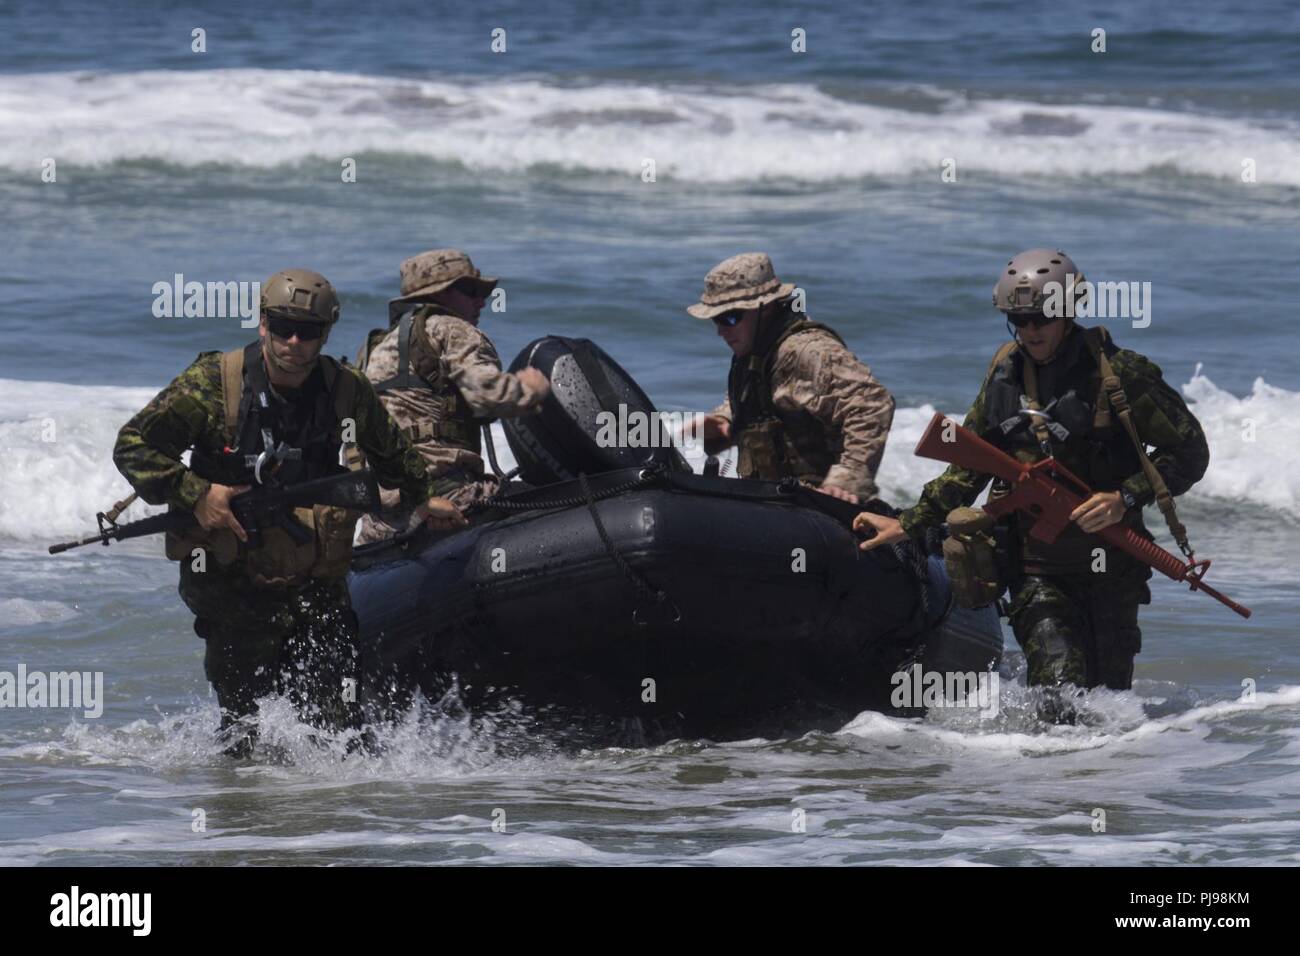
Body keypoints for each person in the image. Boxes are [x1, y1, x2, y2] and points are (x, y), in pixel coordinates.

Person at [113, 268, 466, 755]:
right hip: (233, 581)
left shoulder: (346, 390)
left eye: (309, 331)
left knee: (337, 727)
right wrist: (196, 492)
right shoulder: (215, 383)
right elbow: (134, 445)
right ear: (262, 324)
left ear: (326, 333)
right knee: (243, 730)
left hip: (314, 579)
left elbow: (392, 455)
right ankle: (243, 822)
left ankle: (325, 825)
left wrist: (422, 497)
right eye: (282, 326)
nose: (294, 341)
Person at [854, 249, 1209, 718]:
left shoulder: (1121, 375)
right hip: (1035, 568)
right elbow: (967, 467)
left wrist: (1124, 497)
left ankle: (1101, 791)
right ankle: (1039, 787)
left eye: (1041, 317)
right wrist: (909, 523)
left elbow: (1190, 452)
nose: (1030, 330)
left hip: (1112, 573)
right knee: (1057, 696)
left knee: (1109, 706)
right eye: (1018, 319)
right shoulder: (1004, 375)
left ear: (1067, 311)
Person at [355, 249, 549, 542]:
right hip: (450, 498)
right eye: (471, 290)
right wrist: (532, 389)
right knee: (560, 499)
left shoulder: (373, 350)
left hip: (381, 521)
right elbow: (488, 396)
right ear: (442, 293)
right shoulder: (453, 330)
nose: (481, 301)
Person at [688, 252, 895, 502]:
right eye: (715, 320)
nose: (721, 331)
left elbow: (872, 403)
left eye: (730, 317)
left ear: (764, 308)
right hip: (779, 503)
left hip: (823, 508)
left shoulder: (807, 350)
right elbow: (757, 403)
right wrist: (724, 422)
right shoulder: (754, 354)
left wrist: (846, 480)